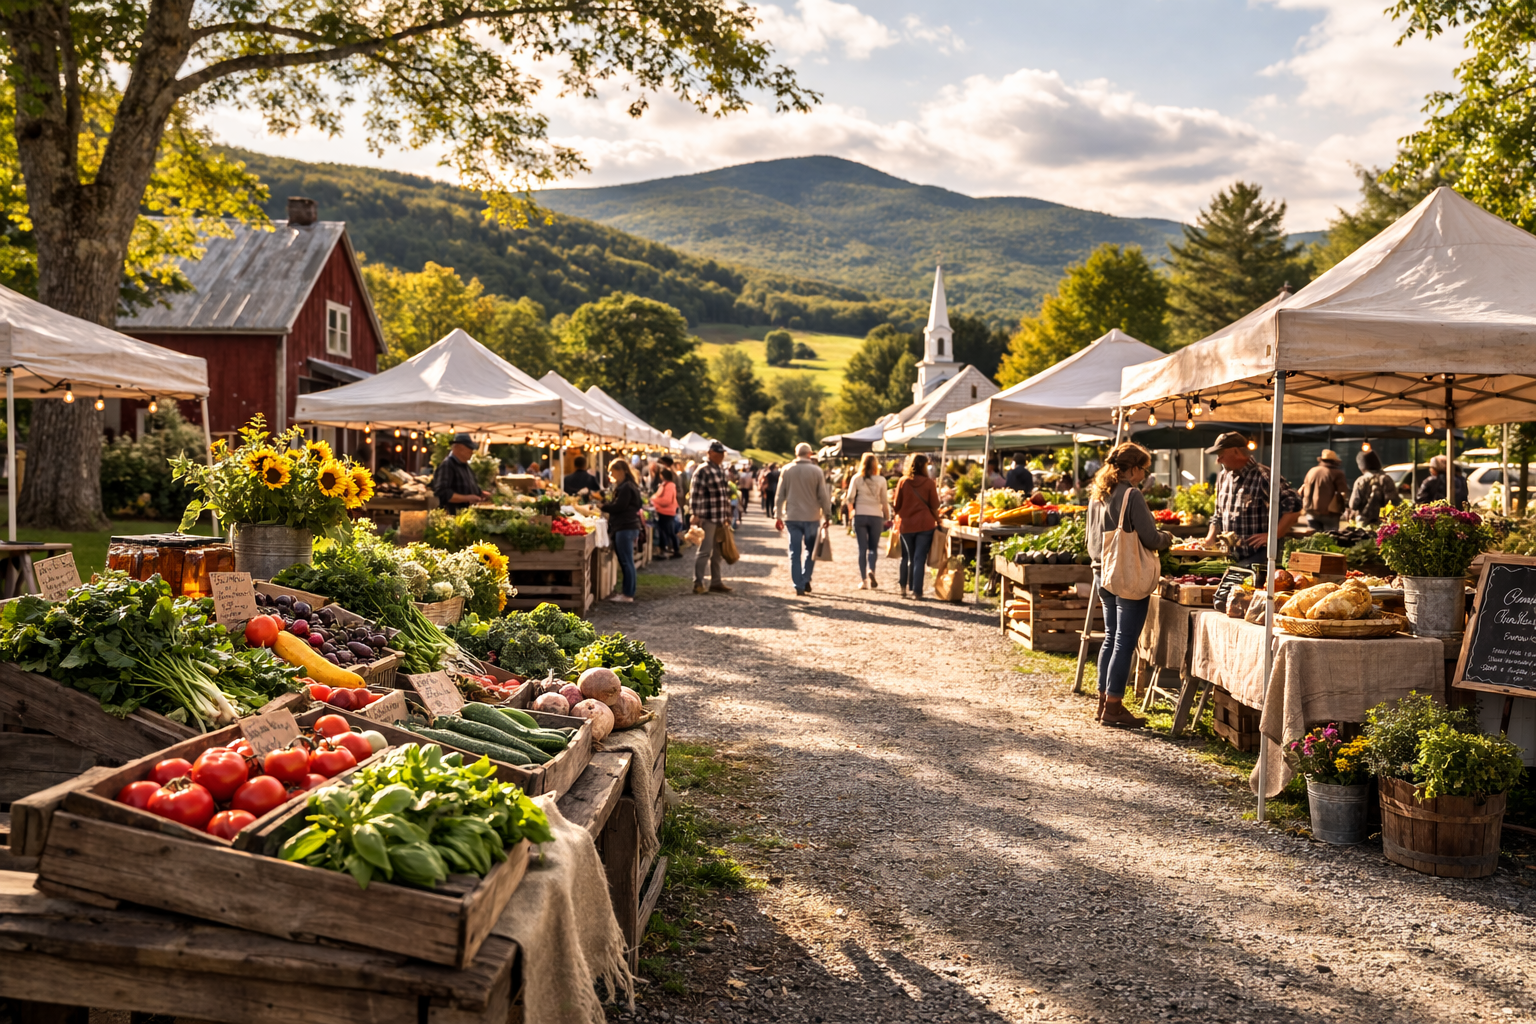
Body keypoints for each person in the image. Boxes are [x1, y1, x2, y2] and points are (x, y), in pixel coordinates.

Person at [1085, 442, 1172, 729]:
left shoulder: (1098, 493)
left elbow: (1091, 539)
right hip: (1126, 573)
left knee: (1111, 638)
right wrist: (1167, 538)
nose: (1145, 476)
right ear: (1133, 469)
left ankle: (1104, 702)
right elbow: (1149, 537)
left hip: (1101, 572)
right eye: (1144, 470)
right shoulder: (1131, 495)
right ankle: (1114, 706)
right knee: (1124, 641)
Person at [1201, 432, 1302, 567]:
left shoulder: (1264, 476)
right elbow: (1218, 514)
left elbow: (1295, 505)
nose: (1218, 460)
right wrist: (1210, 538)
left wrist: (1274, 534)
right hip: (1229, 556)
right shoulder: (1223, 477)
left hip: (1258, 557)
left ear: (1236, 452)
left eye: (1221, 454)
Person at [774, 443, 833, 597]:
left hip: (792, 517)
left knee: (794, 551)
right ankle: (806, 577)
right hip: (812, 517)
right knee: (810, 550)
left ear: (796, 454)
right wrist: (827, 514)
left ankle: (798, 584)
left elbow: (780, 495)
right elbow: (823, 495)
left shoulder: (787, 470)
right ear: (809, 454)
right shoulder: (817, 471)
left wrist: (778, 515)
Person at [892, 452, 941, 600]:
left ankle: (903, 588)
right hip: (925, 524)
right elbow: (935, 505)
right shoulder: (929, 483)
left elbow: (896, 505)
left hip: (907, 525)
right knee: (919, 558)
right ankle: (917, 591)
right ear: (925, 466)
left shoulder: (903, 481)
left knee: (907, 557)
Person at [690, 441, 733, 595]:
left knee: (717, 552)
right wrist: (696, 514)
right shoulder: (703, 470)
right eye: (718, 453)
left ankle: (716, 582)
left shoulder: (720, 470)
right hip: (707, 517)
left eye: (722, 453)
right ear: (710, 453)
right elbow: (696, 494)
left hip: (720, 517)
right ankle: (698, 582)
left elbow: (724, 495)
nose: (721, 456)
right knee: (704, 551)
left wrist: (727, 514)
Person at [845, 451, 890, 590]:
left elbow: (849, 498)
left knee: (862, 548)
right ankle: (872, 570)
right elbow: (884, 500)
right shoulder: (881, 480)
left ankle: (863, 580)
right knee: (873, 548)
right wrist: (887, 516)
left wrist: (852, 512)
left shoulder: (856, 479)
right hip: (876, 515)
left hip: (860, 515)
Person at [601, 458, 644, 604]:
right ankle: (628, 592)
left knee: (626, 561)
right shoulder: (631, 486)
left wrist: (604, 507)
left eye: (614, 472)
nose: (612, 475)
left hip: (625, 526)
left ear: (622, 471)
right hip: (629, 526)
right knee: (627, 561)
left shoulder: (626, 487)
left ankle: (628, 594)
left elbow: (620, 506)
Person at [429, 433, 492, 513]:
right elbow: (442, 493)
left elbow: (470, 488)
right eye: (470, 448)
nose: (472, 452)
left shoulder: (466, 466)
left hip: (467, 515)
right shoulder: (447, 465)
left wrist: (481, 493)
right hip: (454, 516)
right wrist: (467, 498)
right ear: (459, 447)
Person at [1299, 449, 1348, 531]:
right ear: (1334, 462)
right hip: (1330, 513)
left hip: (1311, 511)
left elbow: (1303, 489)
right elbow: (1342, 493)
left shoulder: (1311, 471)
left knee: (1315, 538)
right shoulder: (1337, 473)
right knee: (1331, 539)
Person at [1347, 450, 1395, 525]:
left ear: (1362, 466)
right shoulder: (1386, 479)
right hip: (1384, 521)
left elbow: (1353, 504)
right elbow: (1393, 501)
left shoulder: (1361, 480)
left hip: (1363, 520)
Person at [652, 467, 682, 558]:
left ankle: (673, 550)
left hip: (666, 512)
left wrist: (654, 500)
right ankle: (669, 550)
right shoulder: (667, 485)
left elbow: (666, 500)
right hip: (665, 511)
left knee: (668, 531)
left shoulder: (669, 486)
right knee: (666, 531)